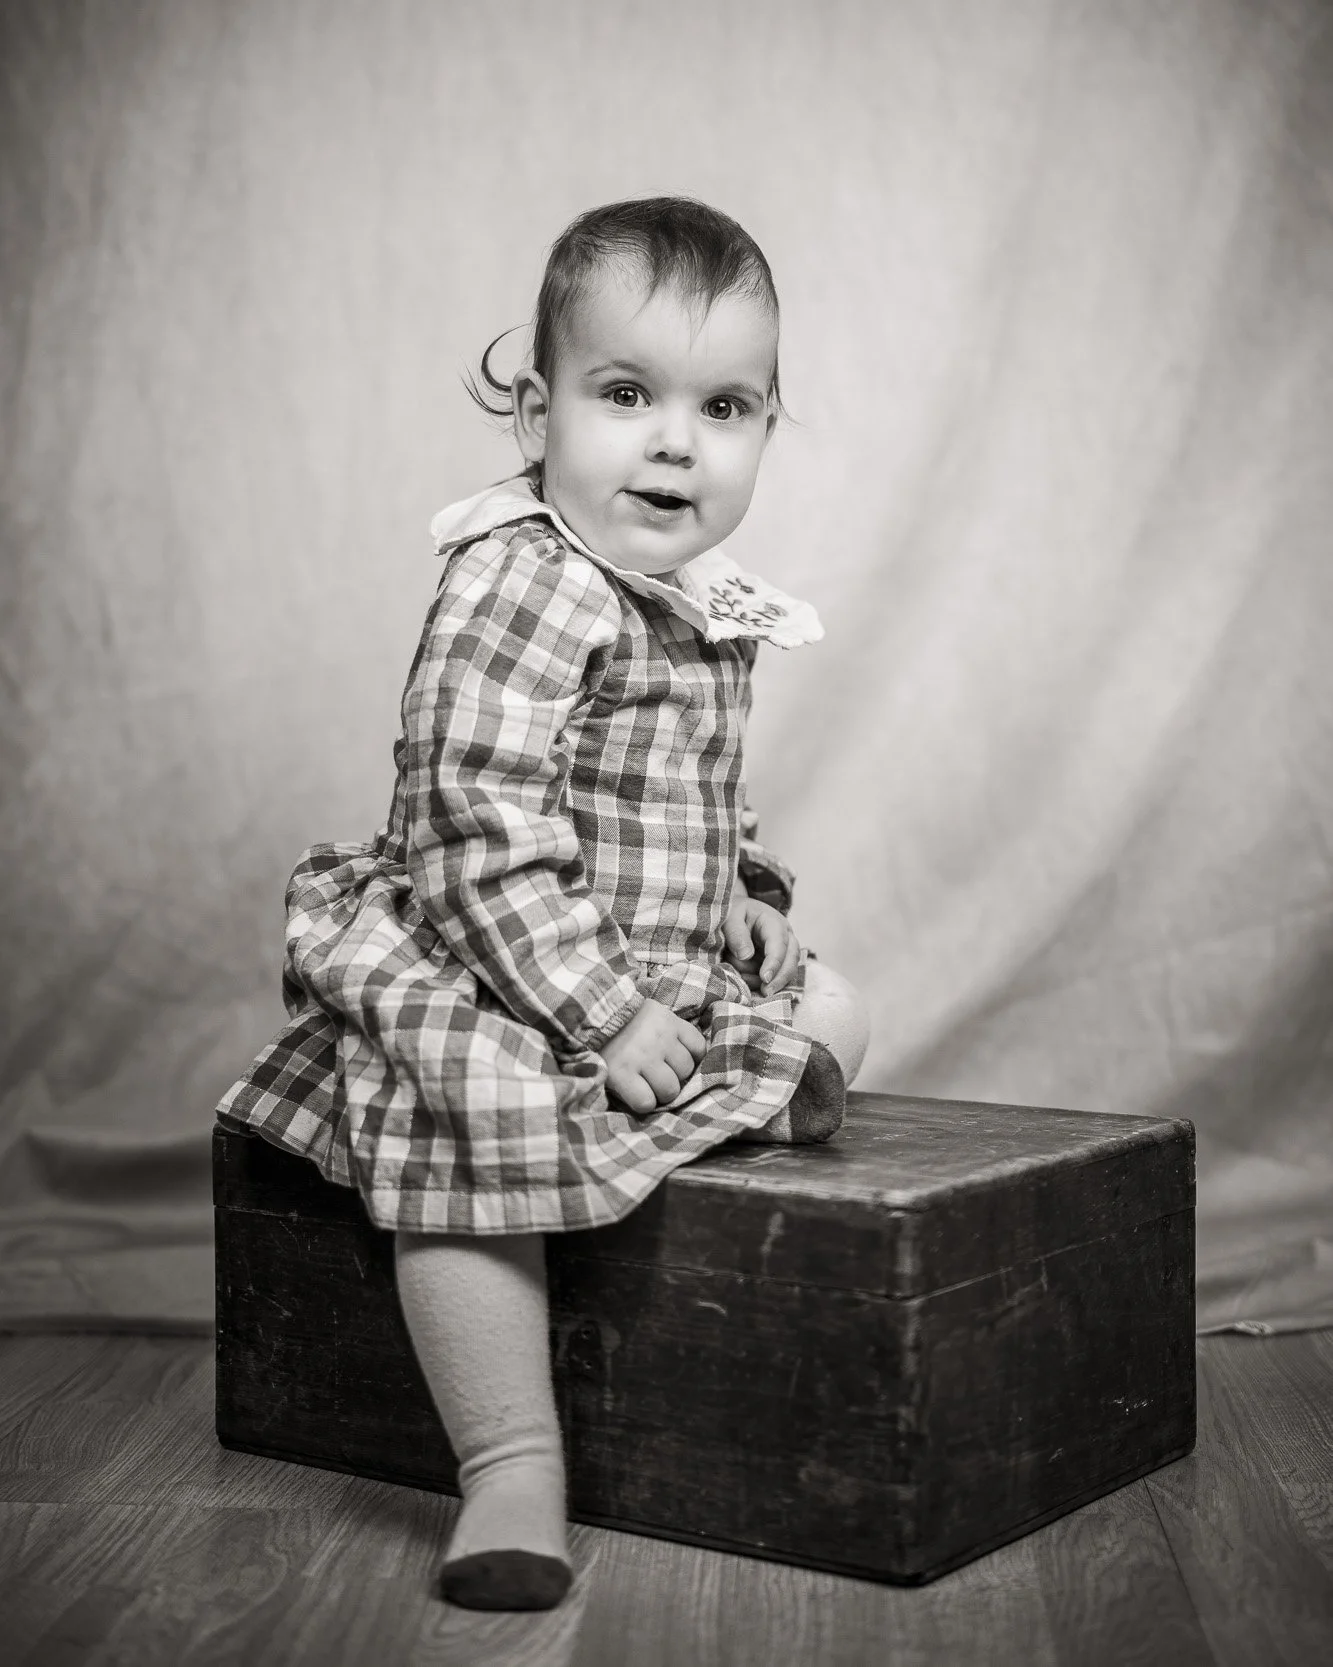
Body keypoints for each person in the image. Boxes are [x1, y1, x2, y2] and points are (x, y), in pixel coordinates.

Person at [218, 196, 869, 1611]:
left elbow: (687, 796)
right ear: (537, 413)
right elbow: (477, 830)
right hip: (496, 965)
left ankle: (691, 1131)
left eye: (728, 404)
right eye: (625, 393)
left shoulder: (693, 600)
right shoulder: (523, 584)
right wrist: (604, 1008)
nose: (677, 440)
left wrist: (748, 892)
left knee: (833, 1001)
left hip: (640, 961)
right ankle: (510, 1459)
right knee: (473, 1145)